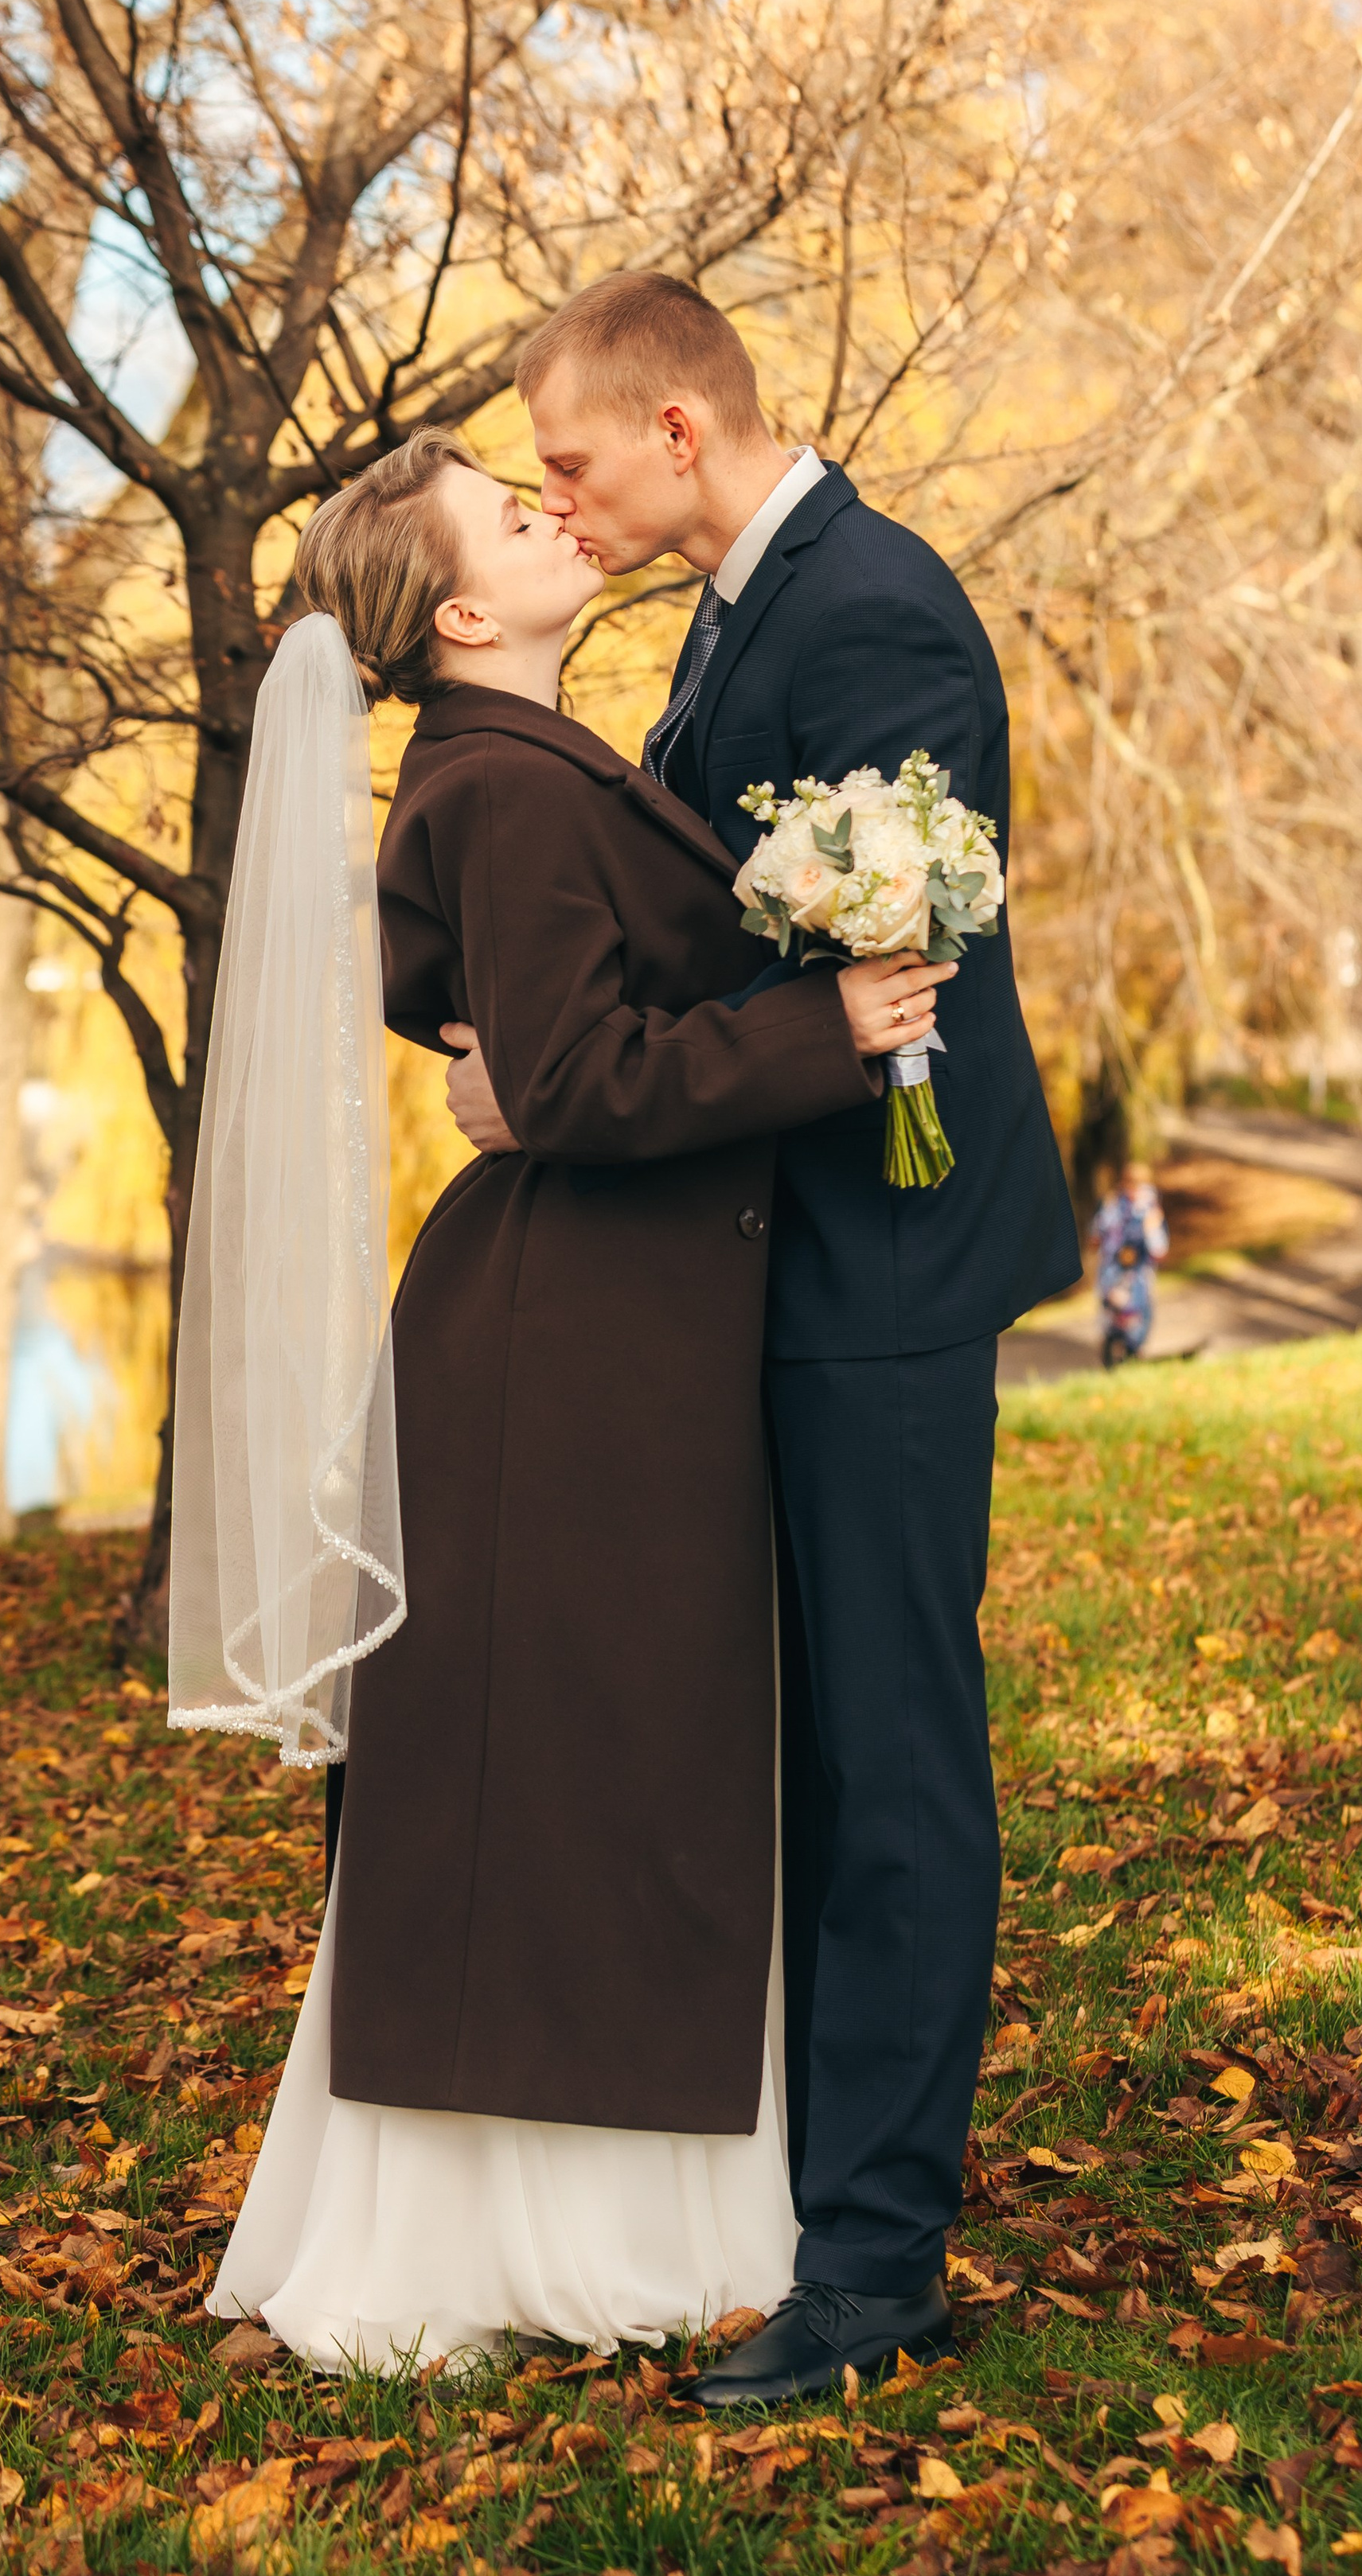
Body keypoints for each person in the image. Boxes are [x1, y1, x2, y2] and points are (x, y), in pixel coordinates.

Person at [168, 426, 952, 2371]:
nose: (550, 515)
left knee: (601, 1770)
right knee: (561, 1773)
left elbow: (489, 1022)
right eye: (508, 519)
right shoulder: (502, 783)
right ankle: (515, 2232)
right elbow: (586, 1078)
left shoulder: (523, 764)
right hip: (566, 1347)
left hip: (604, 1331)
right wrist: (825, 1025)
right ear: (452, 608)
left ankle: (632, 2196)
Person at [444, 275, 1081, 2408]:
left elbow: (884, 960)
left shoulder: (870, 607)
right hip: (784, 1256)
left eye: (569, 459)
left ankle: (876, 2260)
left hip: (882, 1264)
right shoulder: (742, 606)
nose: (564, 498)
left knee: (892, 1752)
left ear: (679, 431)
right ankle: (808, 2191)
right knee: (813, 1743)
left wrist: (579, 1081)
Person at [1091, 1166, 1169, 1367]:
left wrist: (1150, 1228)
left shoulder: (1149, 1210)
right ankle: (1114, 1361)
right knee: (1115, 1323)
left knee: (1137, 1323)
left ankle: (1131, 1356)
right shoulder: (1111, 1207)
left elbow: (1159, 1251)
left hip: (1138, 1277)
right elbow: (1094, 1240)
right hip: (1113, 1275)